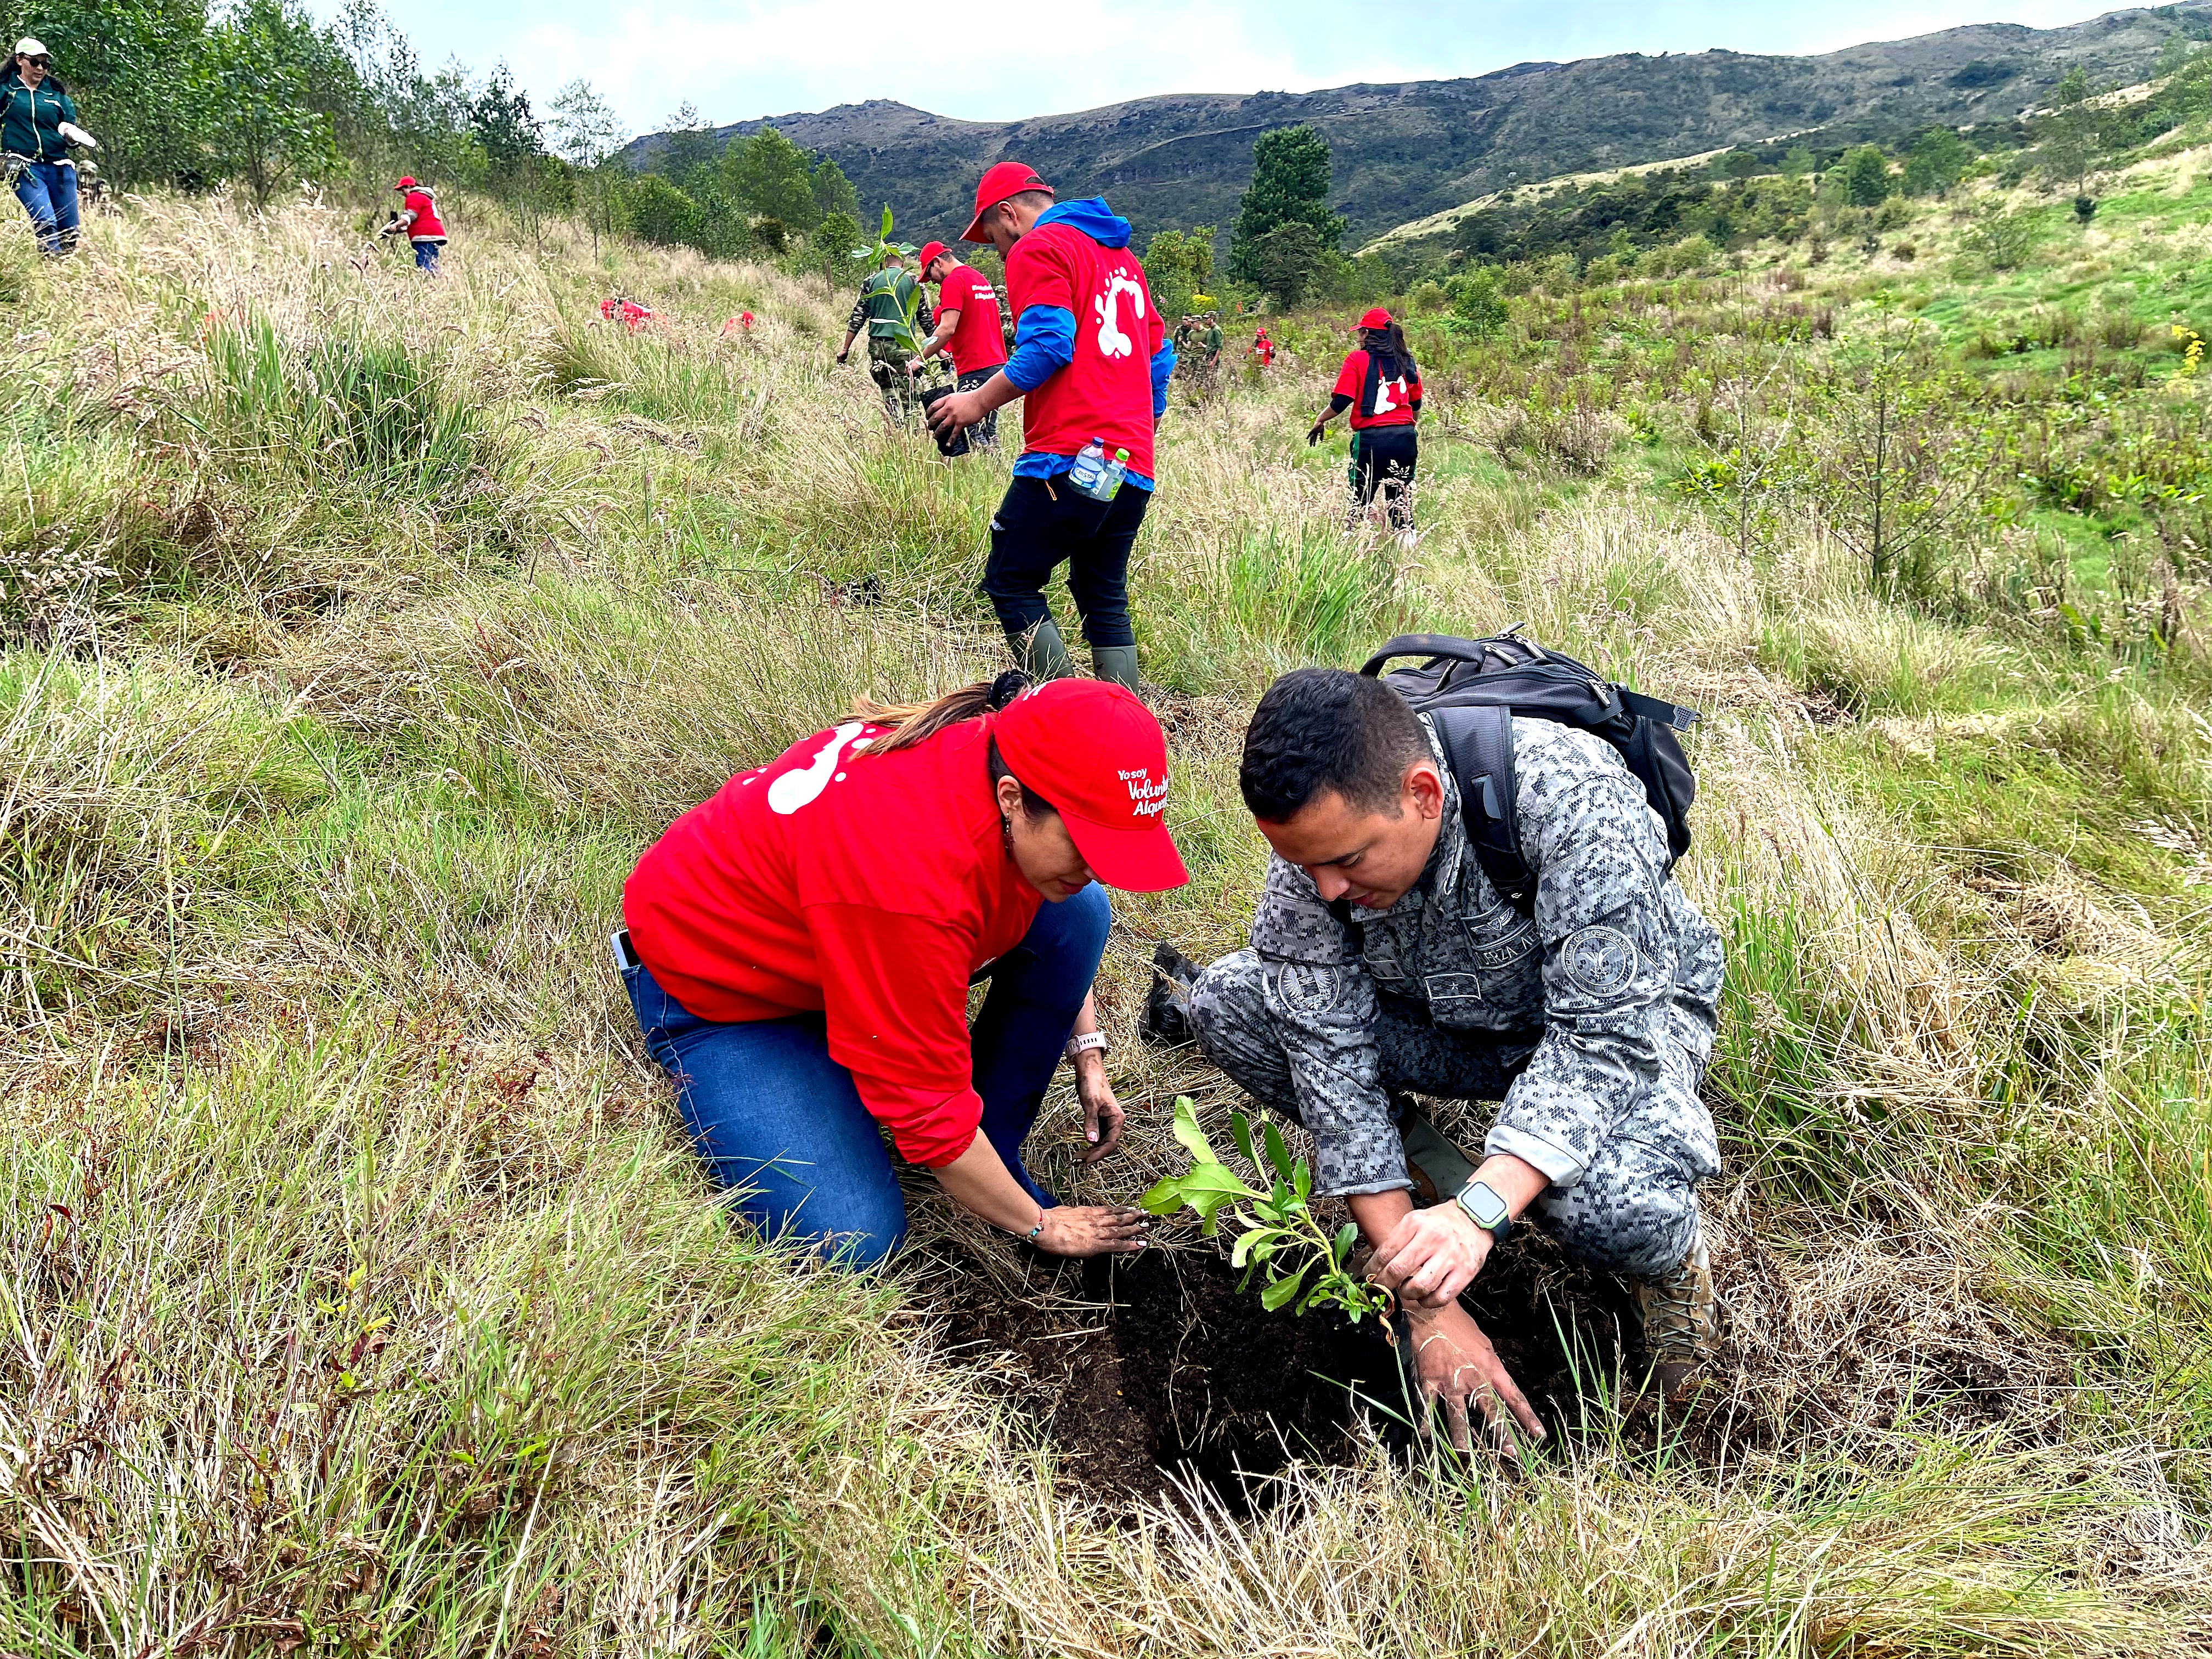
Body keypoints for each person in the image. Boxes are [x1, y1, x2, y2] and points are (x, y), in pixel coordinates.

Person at [1157, 668, 1724, 1448]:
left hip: (1610, 1025)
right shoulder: (1317, 856)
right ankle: (1428, 1173)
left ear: (1424, 793)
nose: (1325, 890)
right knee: (1232, 1001)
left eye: (1350, 862)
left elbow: (1601, 1042)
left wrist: (1481, 1215)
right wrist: (1427, 1305)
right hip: (1446, 1022)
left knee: (1607, 1203)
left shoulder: (1568, 797)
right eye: (1305, 865)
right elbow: (1329, 1058)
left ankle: (1666, 1267)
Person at [619, 673, 1189, 1268]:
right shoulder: (911, 883)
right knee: (850, 1241)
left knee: (1079, 911)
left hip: (843, 943)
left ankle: (991, 1146)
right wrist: (1044, 1227)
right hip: (726, 994)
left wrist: (1088, 1052)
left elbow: (1058, 907)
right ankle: (933, 1141)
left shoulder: (996, 756)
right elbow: (929, 1118)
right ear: (1013, 799)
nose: (1098, 869)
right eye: (1086, 847)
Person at [924, 162, 1175, 692]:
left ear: (1009, 215)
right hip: (1133, 465)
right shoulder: (1123, 258)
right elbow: (1158, 355)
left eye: (992, 239)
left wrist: (974, 403)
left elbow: (1048, 347)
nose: (998, 252)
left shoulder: (1038, 248)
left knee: (1011, 580)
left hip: (1069, 456)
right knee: (1102, 593)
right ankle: (1121, 737)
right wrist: (1139, 423)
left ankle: (1065, 719)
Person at [1308, 307, 1423, 532]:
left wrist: (1320, 420)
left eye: (1360, 332)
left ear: (1368, 335)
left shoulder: (1356, 359)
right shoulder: (1407, 362)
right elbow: (1416, 404)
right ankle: (1407, 550)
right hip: (1404, 438)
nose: (1358, 337)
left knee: (1360, 501)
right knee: (1401, 503)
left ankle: (1353, 546)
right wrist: (1409, 426)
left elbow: (1341, 401)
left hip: (1371, 441)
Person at [910, 238, 1007, 449]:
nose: (931, 281)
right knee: (988, 433)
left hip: (976, 367)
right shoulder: (978, 278)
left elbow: (947, 329)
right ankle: (997, 473)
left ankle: (990, 476)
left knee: (972, 431)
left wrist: (919, 360)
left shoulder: (953, 281)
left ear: (938, 262)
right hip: (997, 365)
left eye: (929, 274)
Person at [2, 40, 93, 257]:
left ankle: (62, 277)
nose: (40, 68)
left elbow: (66, 130)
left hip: (59, 168)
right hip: (23, 167)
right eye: (34, 63)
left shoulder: (56, 95)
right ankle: (49, 265)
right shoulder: (7, 92)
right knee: (45, 221)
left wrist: (73, 138)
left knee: (69, 231)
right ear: (19, 61)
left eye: (45, 64)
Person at [838, 250, 933, 422]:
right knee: (909, 392)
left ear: (884, 263)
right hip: (903, 345)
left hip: (877, 347)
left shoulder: (871, 281)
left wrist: (845, 349)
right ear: (902, 263)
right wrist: (938, 349)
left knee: (887, 388)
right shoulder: (914, 281)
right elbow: (925, 318)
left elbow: (858, 317)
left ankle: (897, 424)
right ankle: (912, 431)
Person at [380, 177, 448, 273]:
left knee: (424, 264)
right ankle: (437, 285)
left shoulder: (414, 196)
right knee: (433, 264)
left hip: (425, 237)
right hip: (435, 235)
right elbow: (421, 221)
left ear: (409, 187)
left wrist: (395, 225)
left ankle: (428, 285)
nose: (402, 193)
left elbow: (411, 216)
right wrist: (401, 230)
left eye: (403, 190)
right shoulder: (425, 197)